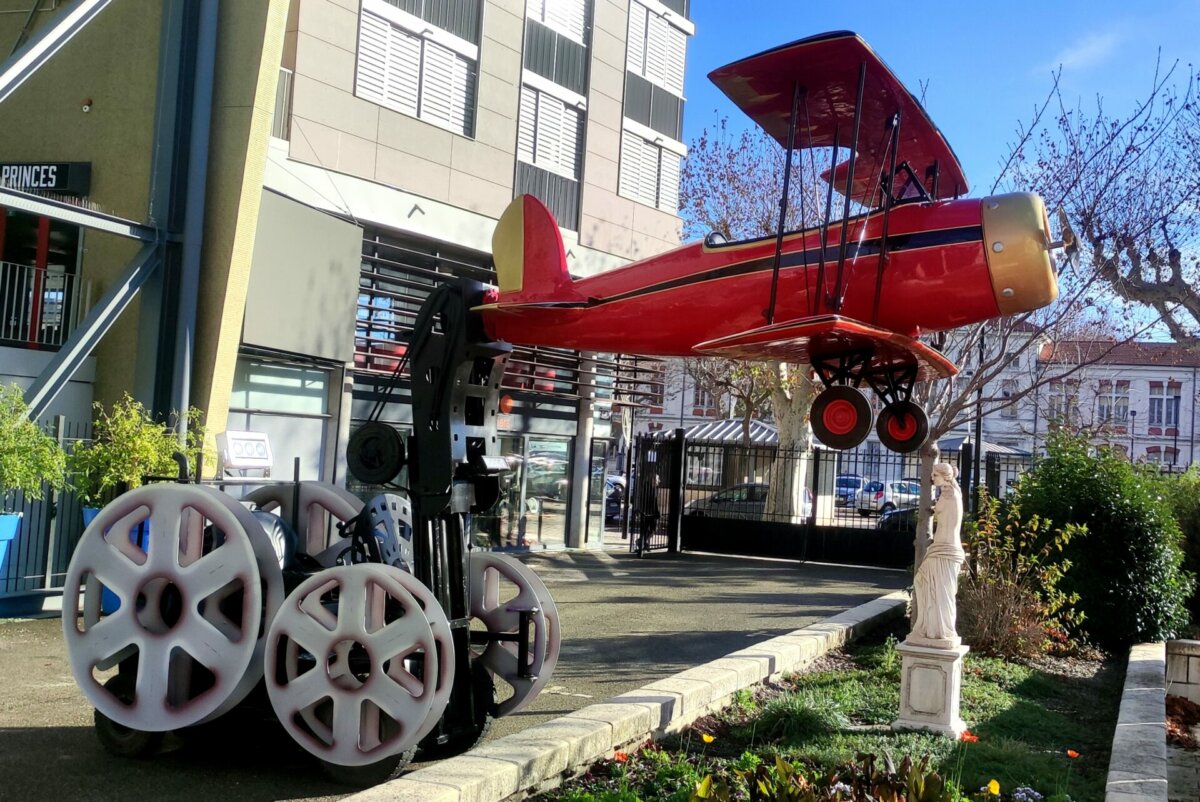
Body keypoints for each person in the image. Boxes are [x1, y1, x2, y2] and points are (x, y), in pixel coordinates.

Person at [909, 462, 965, 647]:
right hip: (943, 546)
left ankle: (938, 631)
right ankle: (931, 629)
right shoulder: (951, 493)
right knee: (930, 585)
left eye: (935, 474)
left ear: (945, 476)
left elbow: (945, 514)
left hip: (945, 548)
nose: (932, 478)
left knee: (935, 587)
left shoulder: (949, 494)